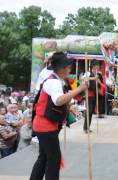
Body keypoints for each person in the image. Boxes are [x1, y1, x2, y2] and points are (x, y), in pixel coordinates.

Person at [30, 52, 88, 180]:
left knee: (44, 157)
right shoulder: (53, 82)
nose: (69, 69)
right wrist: (78, 90)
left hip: (46, 124)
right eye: (68, 67)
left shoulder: (57, 80)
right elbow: (58, 100)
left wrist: (78, 92)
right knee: (54, 159)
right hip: (46, 126)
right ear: (62, 68)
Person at [82, 60, 99, 133]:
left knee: (91, 111)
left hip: (94, 94)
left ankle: (88, 127)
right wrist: (93, 78)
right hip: (88, 94)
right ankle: (85, 127)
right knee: (89, 110)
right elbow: (83, 79)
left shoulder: (97, 74)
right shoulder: (88, 73)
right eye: (97, 65)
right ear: (94, 66)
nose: (98, 67)